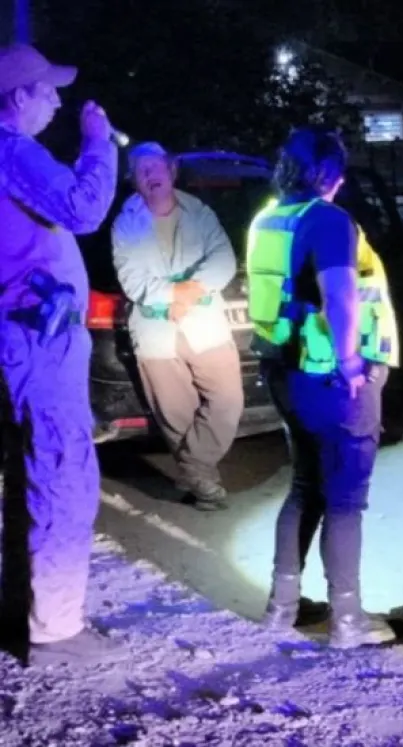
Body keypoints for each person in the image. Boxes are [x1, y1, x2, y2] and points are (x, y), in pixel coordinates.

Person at [247, 126, 400, 647]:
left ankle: (280, 608)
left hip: (284, 374)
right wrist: (353, 364)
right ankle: (348, 621)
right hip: (329, 377)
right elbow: (341, 298)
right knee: (345, 500)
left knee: (304, 487)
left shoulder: (269, 217)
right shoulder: (328, 220)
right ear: (330, 173)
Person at [0, 44, 120, 665]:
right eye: (48, 91)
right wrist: (100, 143)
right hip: (38, 338)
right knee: (62, 469)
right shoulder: (10, 148)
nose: (58, 100)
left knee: (35, 470)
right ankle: (53, 627)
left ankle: (34, 611)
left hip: (24, 335)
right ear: (19, 97)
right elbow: (83, 207)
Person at [111, 142, 242, 511]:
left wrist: (190, 291)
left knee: (228, 401)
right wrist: (177, 295)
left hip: (205, 325)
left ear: (171, 171)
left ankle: (192, 469)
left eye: (156, 167)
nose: (151, 176)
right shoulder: (126, 224)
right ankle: (206, 488)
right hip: (157, 334)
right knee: (176, 416)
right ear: (133, 181)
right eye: (141, 171)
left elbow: (223, 259)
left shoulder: (199, 213)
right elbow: (134, 281)